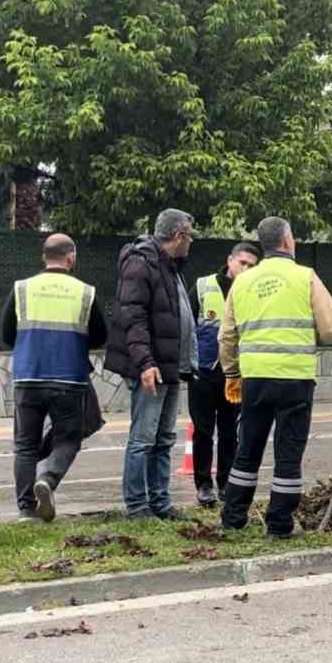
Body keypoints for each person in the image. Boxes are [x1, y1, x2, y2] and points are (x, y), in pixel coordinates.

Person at [218, 216, 332, 538]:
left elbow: (227, 336)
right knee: (288, 455)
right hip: (294, 381)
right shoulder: (305, 277)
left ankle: (233, 518)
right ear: (288, 241)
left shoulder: (243, 282)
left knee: (248, 449)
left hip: (254, 381)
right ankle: (279, 524)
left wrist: (232, 374)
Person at [0, 234, 107, 522]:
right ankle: (47, 479)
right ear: (71, 256)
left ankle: (26, 510)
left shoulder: (22, 289)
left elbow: (6, 334)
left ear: (44, 256)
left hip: (28, 377)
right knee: (68, 439)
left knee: (25, 445)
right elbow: (100, 336)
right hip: (68, 379)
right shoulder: (85, 292)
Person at [104, 209, 198, 521]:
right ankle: (138, 506)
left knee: (164, 438)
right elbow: (133, 316)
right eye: (190, 237)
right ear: (179, 235)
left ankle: (160, 502)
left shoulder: (169, 267)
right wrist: (145, 362)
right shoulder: (141, 262)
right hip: (153, 368)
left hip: (170, 367)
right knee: (143, 438)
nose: (192, 244)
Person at [189, 242, 262, 506]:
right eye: (242, 263)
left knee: (230, 431)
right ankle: (203, 485)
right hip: (205, 371)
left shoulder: (254, 291)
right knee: (203, 430)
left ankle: (225, 483)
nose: (246, 269)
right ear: (230, 260)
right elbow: (188, 324)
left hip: (236, 372)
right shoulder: (202, 286)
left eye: (252, 266)